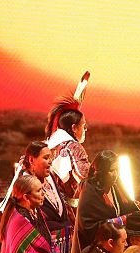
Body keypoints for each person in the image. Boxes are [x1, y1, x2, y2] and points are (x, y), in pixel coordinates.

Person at [71, 150, 139, 253]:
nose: (116, 174)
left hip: (117, 245)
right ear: (101, 172)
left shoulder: (115, 185)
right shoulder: (89, 190)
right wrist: (122, 220)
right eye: (112, 170)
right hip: (96, 252)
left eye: (117, 169)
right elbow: (89, 227)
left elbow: (133, 210)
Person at [46, 71, 91, 200]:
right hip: (61, 206)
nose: (86, 130)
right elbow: (86, 176)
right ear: (74, 127)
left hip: (46, 203)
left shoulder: (48, 145)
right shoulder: (73, 147)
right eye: (83, 126)